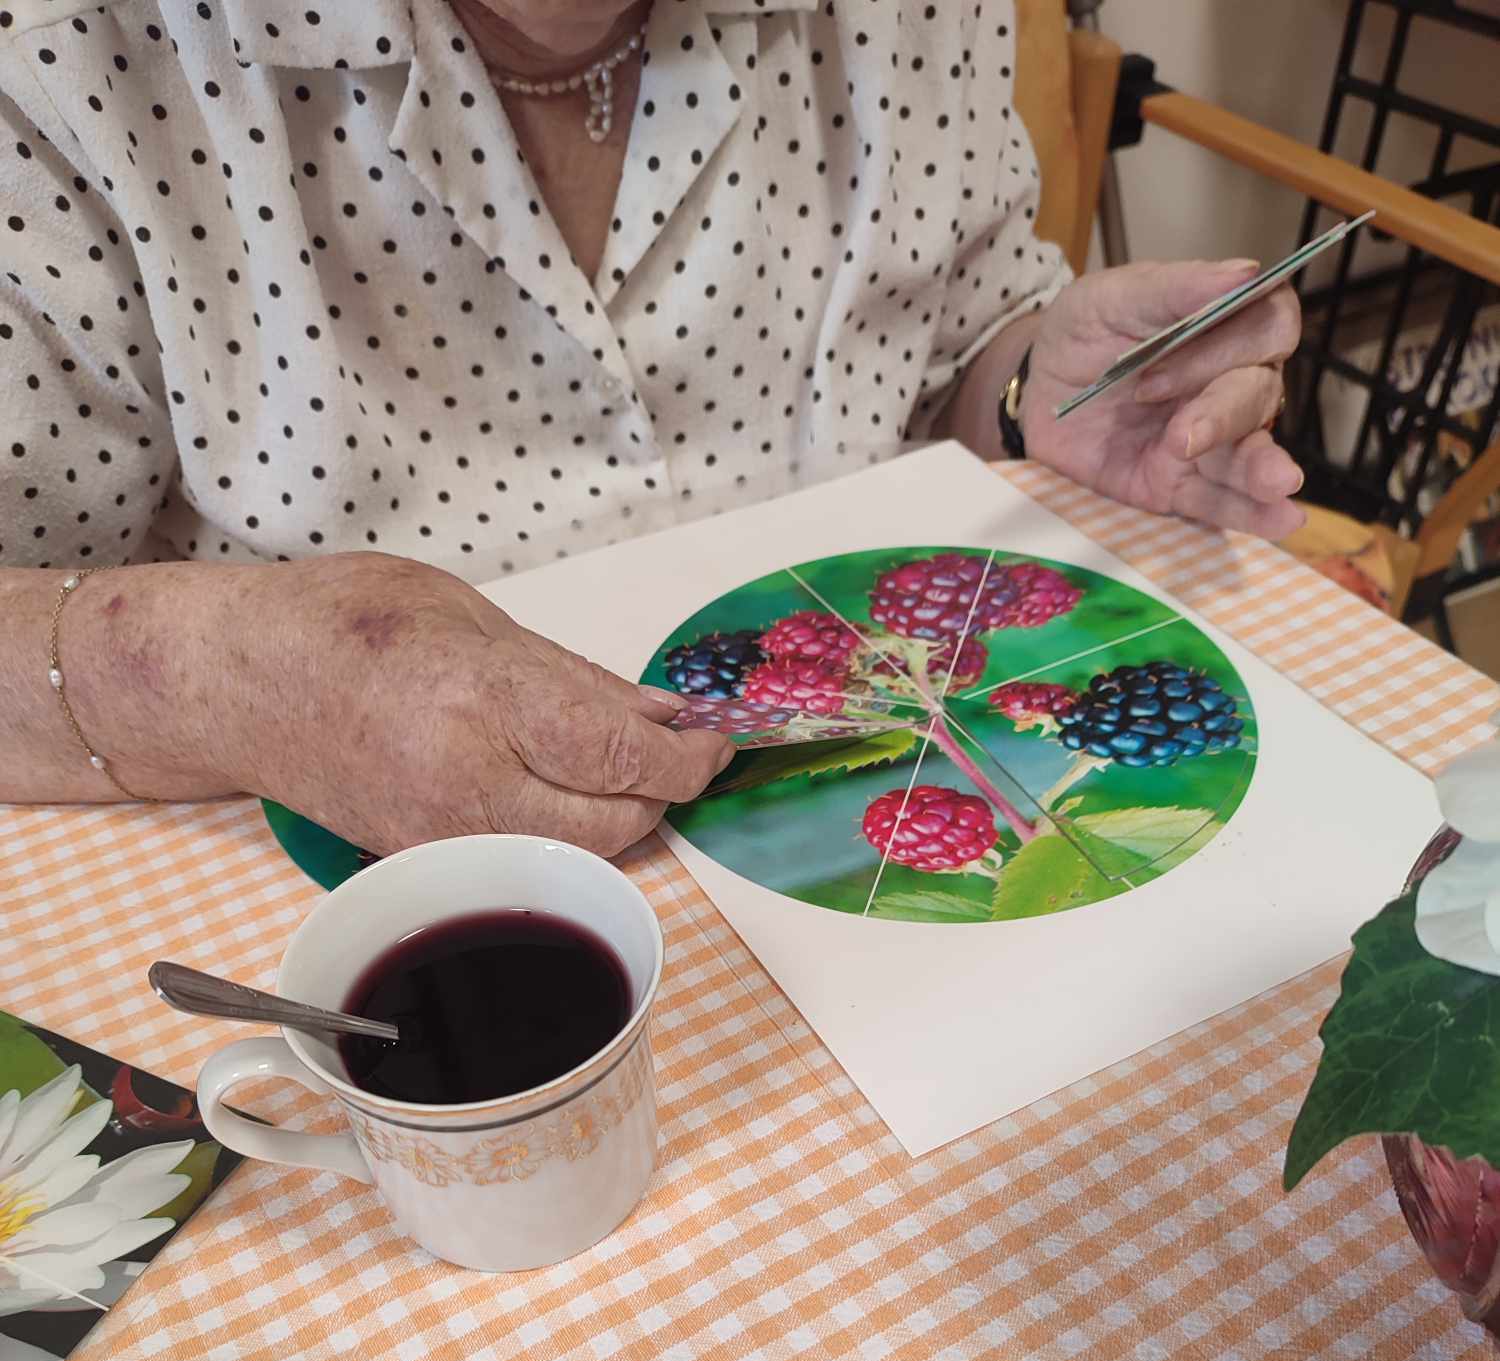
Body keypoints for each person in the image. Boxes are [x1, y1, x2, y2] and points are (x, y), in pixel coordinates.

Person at [0, 0, 1304, 858]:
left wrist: (1027, 389)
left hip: (868, 827)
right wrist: (241, 679)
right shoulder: (64, 50)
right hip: (356, 897)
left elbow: (952, 350)